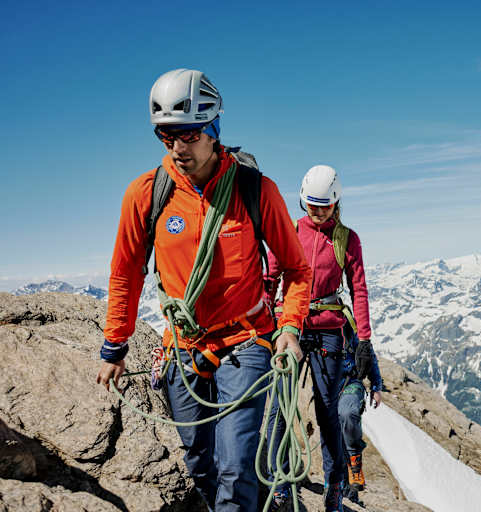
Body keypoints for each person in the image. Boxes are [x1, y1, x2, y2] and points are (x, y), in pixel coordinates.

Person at [95, 68, 311, 512]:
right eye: (166, 136)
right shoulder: (147, 194)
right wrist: (114, 345)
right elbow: (126, 272)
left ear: (214, 130)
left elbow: (295, 268)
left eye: (189, 135)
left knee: (236, 465)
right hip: (183, 346)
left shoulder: (255, 190)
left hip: (245, 341)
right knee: (200, 462)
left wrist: (289, 326)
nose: (177, 148)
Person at [264, 165, 375, 512]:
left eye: (324, 206)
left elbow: (359, 291)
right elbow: (270, 278)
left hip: (329, 330)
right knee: (280, 408)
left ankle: (334, 489)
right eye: (312, 205)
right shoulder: (290, 231)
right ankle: (278, 483)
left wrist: (365, 340)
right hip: (289, 327)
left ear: (336, 202)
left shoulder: (347, 239)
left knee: (327, 412)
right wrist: (267, 319)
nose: (317, 211)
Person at [338, 327, 383, 498]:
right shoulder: (315, 325)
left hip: (351, 383)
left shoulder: (349, 327)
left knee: (348, 414)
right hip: (327, 386)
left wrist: (376, 387)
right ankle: (345, 491)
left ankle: (354, 461)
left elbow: (368, 355)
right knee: (334, 436)